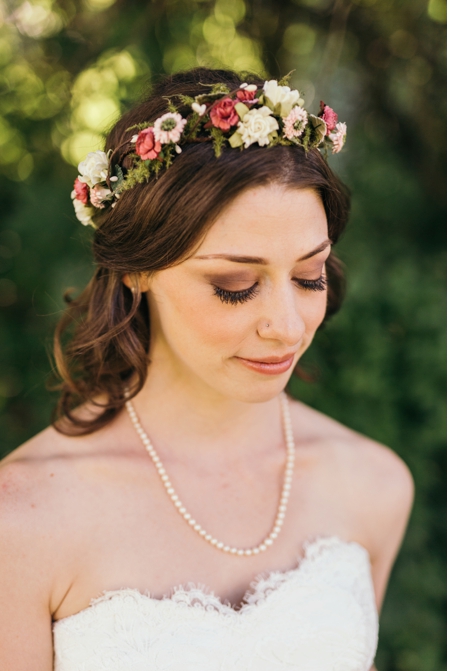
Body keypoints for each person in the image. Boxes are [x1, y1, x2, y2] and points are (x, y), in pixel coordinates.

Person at [0, 68, 413, 670]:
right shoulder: (21, 520)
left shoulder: (374, 486)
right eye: (234, 285)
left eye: (309, 276)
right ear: (138, 269)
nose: (288, 327)